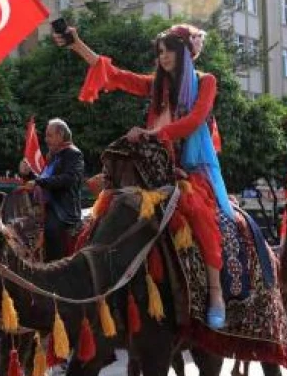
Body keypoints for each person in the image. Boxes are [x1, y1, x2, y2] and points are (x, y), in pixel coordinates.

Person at [57, 22, 230, 328]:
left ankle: (215, 293)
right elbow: (117, 76)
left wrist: (152, 134)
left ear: (184, 53)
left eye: (168, 51)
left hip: (189, 169)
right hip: (153, 165)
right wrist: (76, 44)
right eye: (159, 52)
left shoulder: (207, 82)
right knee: (106, 210)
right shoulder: (156, 86)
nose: (162, 57)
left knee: (199, 214)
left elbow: (194, 120)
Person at [18, 118, 85, 261]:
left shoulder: (73, 154)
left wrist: (37, 181)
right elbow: (44, 180)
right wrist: (28, 174)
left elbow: (68, 179)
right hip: (48, 207)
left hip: (62, 210)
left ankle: (54, 269)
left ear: (61, 135)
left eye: (49, 135)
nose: (46, 139)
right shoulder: (54, 156)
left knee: (51, 230)